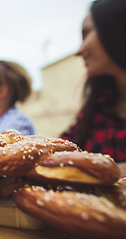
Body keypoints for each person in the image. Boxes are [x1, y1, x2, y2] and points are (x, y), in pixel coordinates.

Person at [60, 0, 126, 176]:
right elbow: (60, 149)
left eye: (86, 33)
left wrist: (110, 172)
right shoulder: (98, 104)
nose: (78, 51)